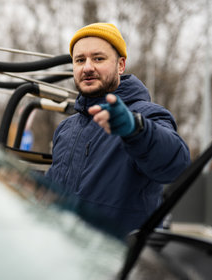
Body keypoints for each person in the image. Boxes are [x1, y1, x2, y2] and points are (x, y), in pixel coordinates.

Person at [45, 23, 191, 239]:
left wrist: (136, 130)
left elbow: (176, 165)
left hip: (122, 264)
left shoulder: (147, 116)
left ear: (121, 65)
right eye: (80, 60)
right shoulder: (66, 128)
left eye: (98, 58)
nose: (87, 67)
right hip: (67, 258)